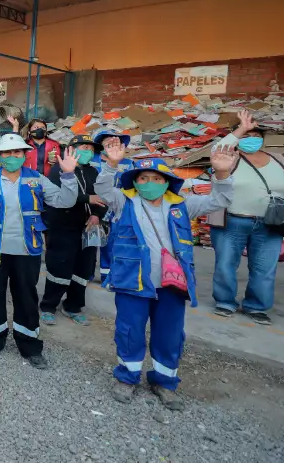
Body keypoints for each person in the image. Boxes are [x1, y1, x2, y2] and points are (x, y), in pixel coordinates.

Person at [96, 140, 236, 409]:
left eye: (156, 178)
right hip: (132, 280)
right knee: (129, 331)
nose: (149, 183)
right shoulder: (124, 202)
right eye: (143, 178)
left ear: (166, 182)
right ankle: (127, 377)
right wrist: (111, 164)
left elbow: (220, 200)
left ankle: (164, 381)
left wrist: (222, 174)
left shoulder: (183, 205)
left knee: (170, 334)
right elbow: (102, 188)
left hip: (172, 284)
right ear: (134, 182)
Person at [0, 134, 80, 369]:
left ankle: (29, 345)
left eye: (16, 152)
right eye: (6, 153)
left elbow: (64, 201)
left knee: (26, 297)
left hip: (26, 250)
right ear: (0, 156)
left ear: (24, 155)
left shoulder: (36, 179)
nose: (11, 157)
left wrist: (69, 175)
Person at [208, 110, 284, 324]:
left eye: (256, 135)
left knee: (264, 267)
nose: (252, 139)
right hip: (232, 220)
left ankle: (256, 306)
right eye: (246, 135)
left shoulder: (279, 160)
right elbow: (216, 149)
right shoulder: (228, 157)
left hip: (272, 222)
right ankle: (225, 302)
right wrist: (241, 127)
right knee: (226, 263)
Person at [39, 134, 107, 326]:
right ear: (71, 150)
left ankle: (73, 306)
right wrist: (88, 199)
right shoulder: (57, 170)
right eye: (83, 148)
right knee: (59, 267)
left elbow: (104, 197)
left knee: (83, 269)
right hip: (63, 227)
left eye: (91, 149)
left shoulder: (94, 172)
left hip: (87, 229)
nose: (88, 152)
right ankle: (48, 306)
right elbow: (58, 195)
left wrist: (97, 214)